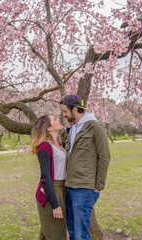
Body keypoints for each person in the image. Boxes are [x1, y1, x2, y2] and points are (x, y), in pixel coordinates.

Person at [60, 95, 111, 240]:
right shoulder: (72, 127)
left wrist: (99, 186)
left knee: (81, 234)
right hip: (69, 186)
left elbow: (105, 157)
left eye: (65, 111)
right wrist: (68, 129)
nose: (63, 115)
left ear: (75, 109)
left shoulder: (95, 127)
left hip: (84, 189)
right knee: (73, 233)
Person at [31, 115, 68, 240]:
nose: (59, 120)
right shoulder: (45, 147)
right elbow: (45, 178)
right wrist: (55, 205)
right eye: (54, 119)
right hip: (52, 192)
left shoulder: (59, 144)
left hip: (62, 189)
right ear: (48, 128)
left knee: (50, 233)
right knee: (57, 234)